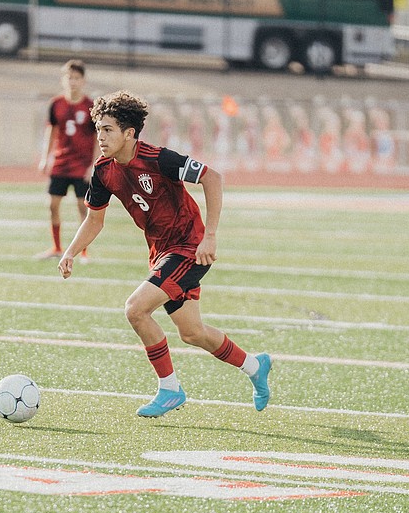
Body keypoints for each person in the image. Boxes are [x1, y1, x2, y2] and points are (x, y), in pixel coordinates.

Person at [58, 90, 272, 417]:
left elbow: (212, 178)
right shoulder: (103, 172)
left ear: (129, 133)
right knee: (193, 332)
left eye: (108, 130)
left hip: (189, 247)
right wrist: (72, 251)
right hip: (162, 253)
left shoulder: (159, 159)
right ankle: (255, 366)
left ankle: (170, 389)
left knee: (135, 309)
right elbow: (94, 219)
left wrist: (210, 237)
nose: (100, 137)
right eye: (98, 129)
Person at [38, 59, 97, 260]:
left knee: (83, 208)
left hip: (82, 165)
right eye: (69, 77)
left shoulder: (90, 106)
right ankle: (56, 248)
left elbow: (98, 138)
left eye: (77, 78)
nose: (72, 82)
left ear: (83, 81)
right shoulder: (56, 104)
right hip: (61, 163)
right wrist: (46, 158)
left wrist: (93, 165)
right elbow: (51, 132)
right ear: (64, 80)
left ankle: (83, 252)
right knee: (52, 205)